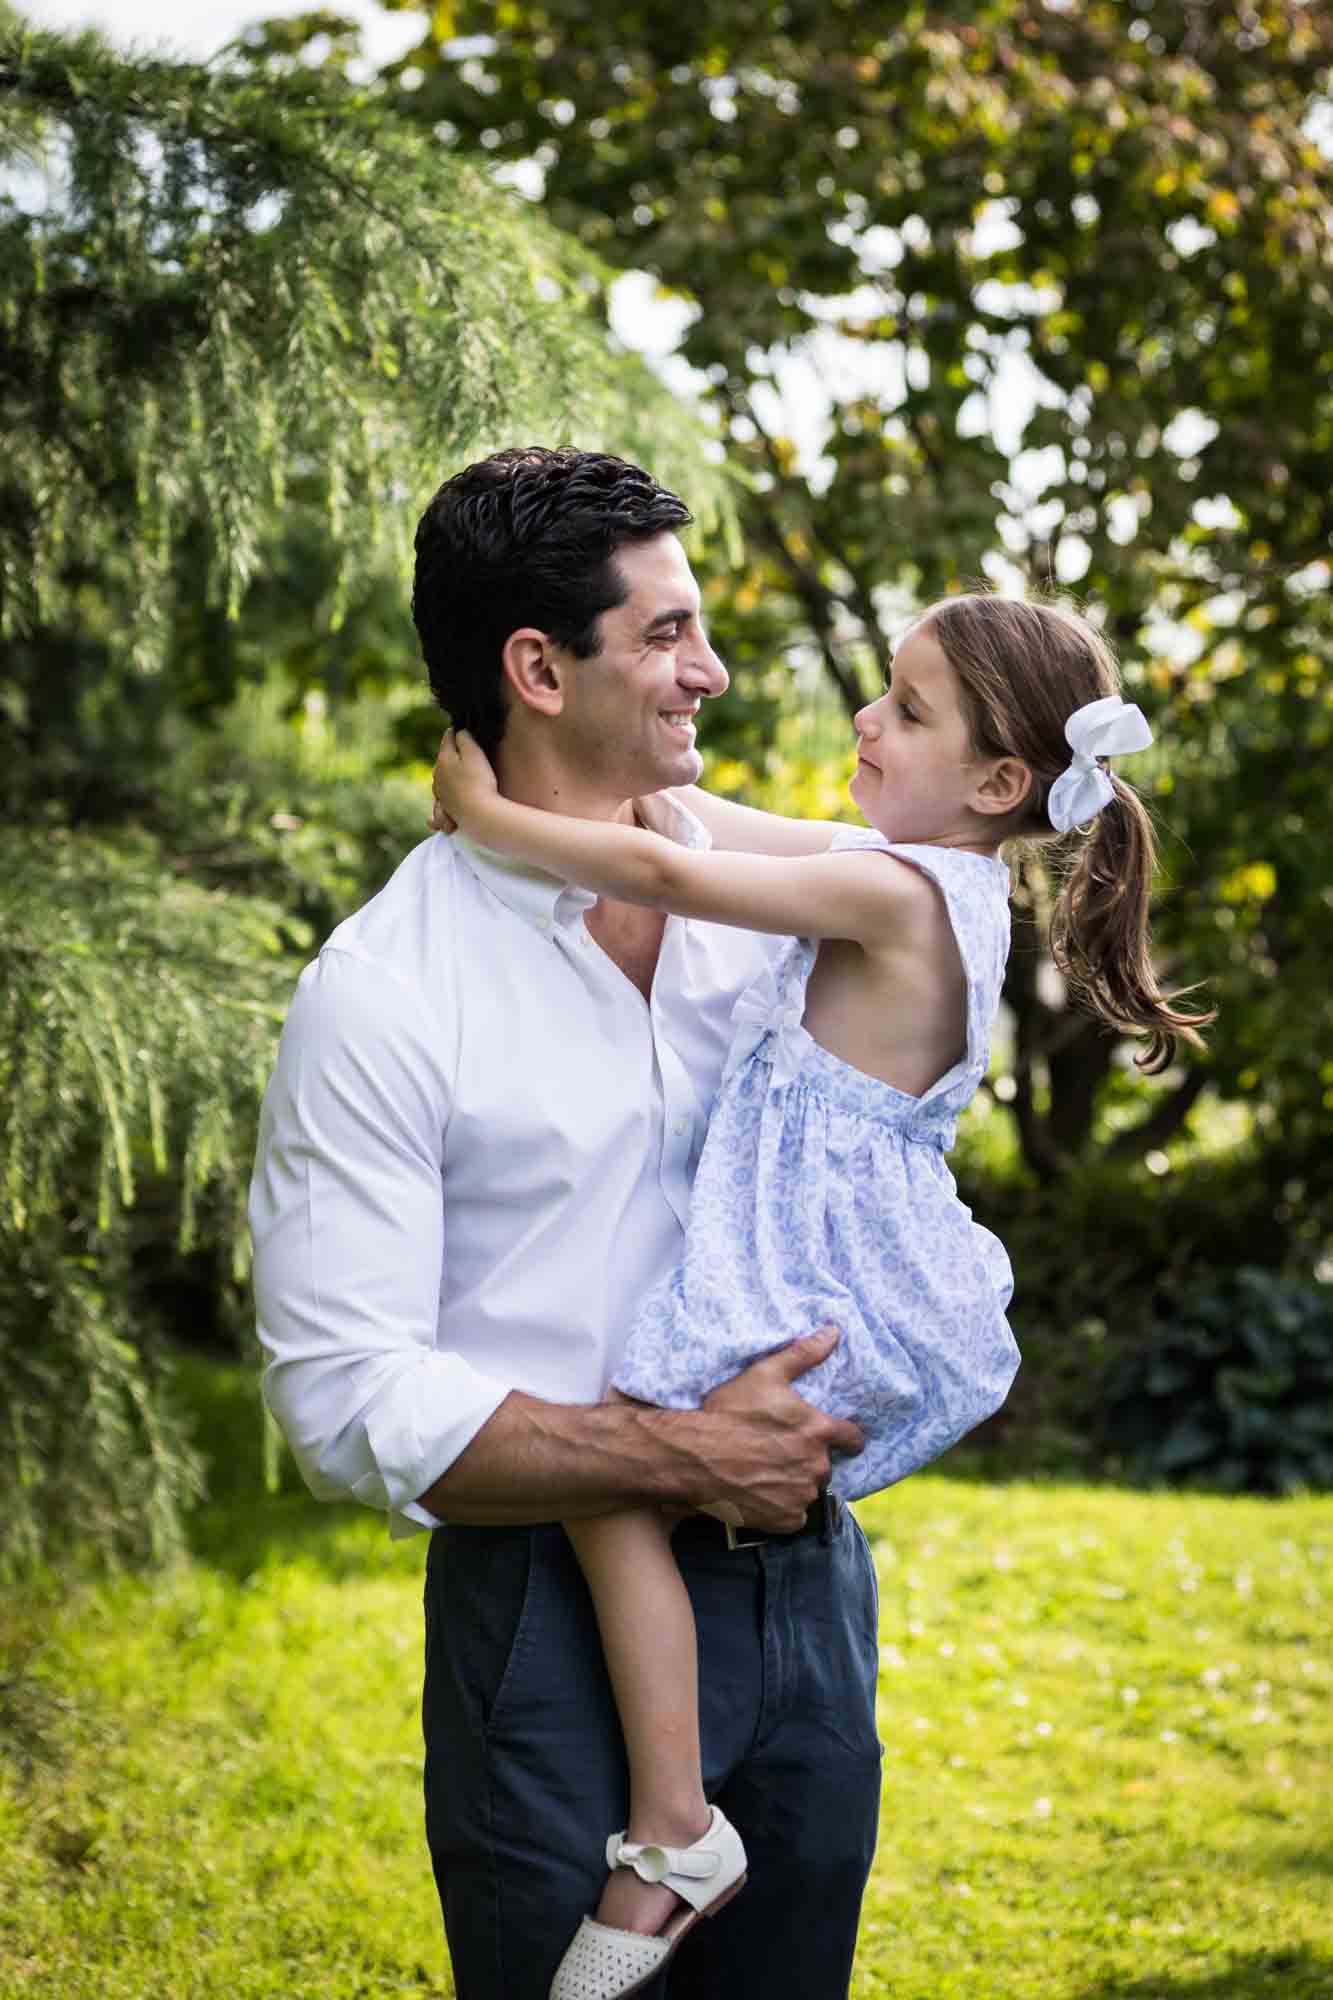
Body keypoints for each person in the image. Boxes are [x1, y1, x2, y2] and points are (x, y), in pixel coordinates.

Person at [430, 589, 1215, 2000]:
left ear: (993, 783)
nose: (866, 718)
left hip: (819, 1270)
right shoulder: (908, 867)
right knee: (630, 1471)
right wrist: (634, 781)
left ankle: (671, 1828)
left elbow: (677, 880)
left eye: (906, 711)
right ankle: (674, 1823)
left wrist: (490, 823)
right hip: (828, 1251)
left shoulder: (898, 891)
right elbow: (703, 827)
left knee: (610, 1465)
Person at [249, 445, 885, 2000]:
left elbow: (945, 884)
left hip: (806, 1587)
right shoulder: (387, 990)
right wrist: (675, 1451)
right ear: (536, 667)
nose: (708, 669)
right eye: (665, 635)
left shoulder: (770, 911)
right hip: (545, 1618)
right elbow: (342, 1399)